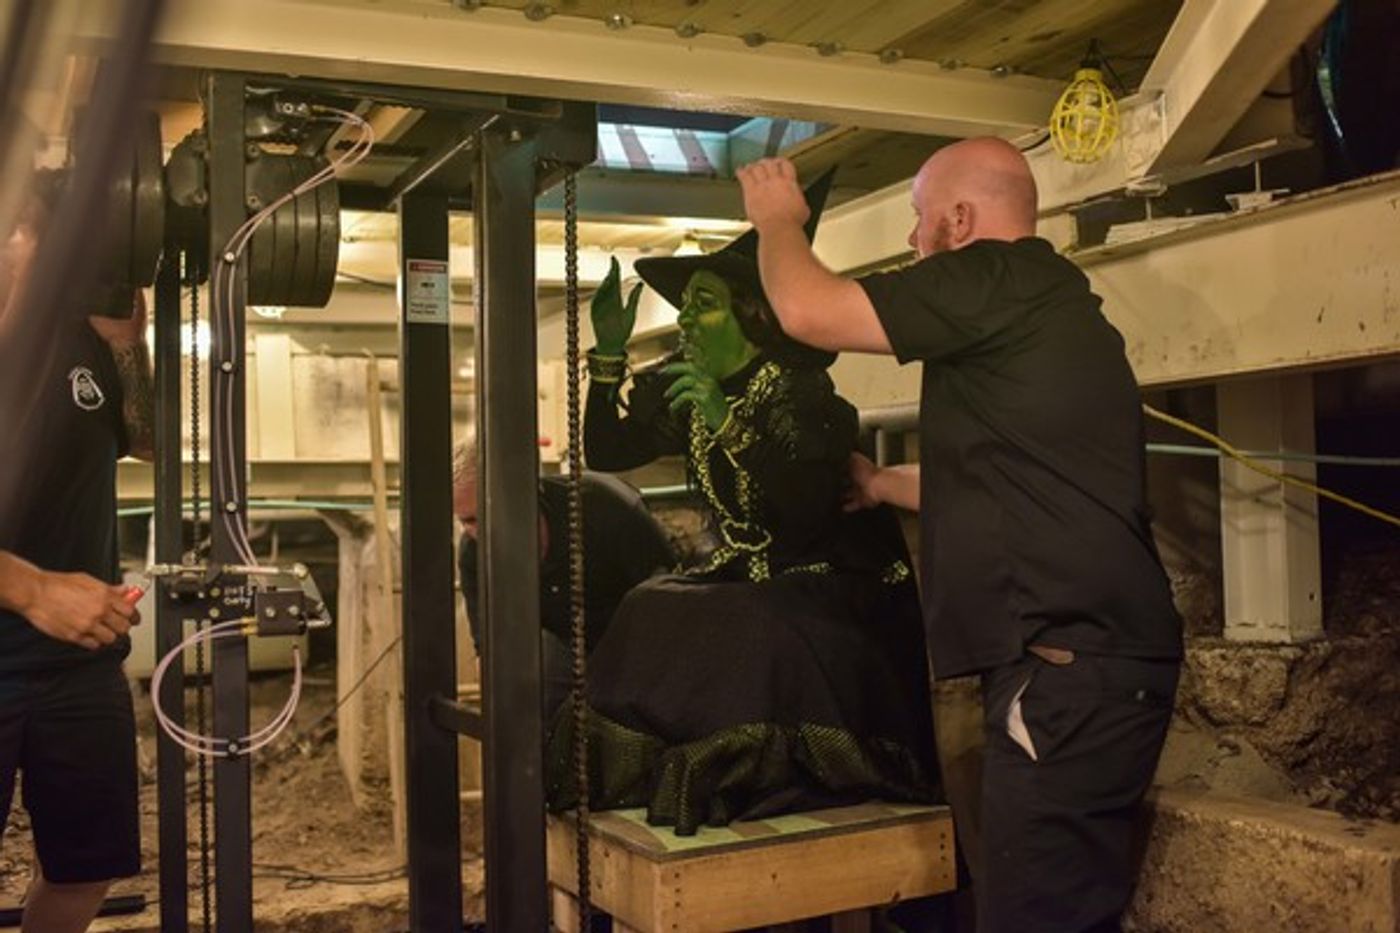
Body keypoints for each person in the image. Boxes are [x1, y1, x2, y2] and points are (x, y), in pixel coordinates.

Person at [735, 140, 1184, 932]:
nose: (914, 241)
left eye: (918, 221)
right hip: (1091, 668)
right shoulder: (1047, 305)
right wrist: (878, 484)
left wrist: (778, 223)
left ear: (960, 220)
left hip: (1063, 671)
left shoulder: (991, 276)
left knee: (1035, 917)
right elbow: (1012, 481)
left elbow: (808, 309)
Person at [551, 173, 941, 836]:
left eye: (702, 304)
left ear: (753, 315)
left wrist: (724, 417)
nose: (684, 322)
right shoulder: (696, 387)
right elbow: (610, 448)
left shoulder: (803, 395)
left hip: (828, 583)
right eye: (684, 307)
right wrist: (610, 357)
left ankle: (751, 773)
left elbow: (803, 511)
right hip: (751, 575)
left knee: (752, 624)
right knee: (652, 603)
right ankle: (645, 771)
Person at [0, 181, 154, 933]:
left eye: (21, 232)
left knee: (87, 870)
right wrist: (29, 587)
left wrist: (128, 344)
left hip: (79, 667)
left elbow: (151, 440)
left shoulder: (80, 337)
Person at [453, 444, 677, 715]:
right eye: (468, 521)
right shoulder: (474, 555)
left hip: (643, 637)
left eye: (487, 515)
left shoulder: (606, 508)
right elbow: (489, 654)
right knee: (545, 715)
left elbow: (670, 596)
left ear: (523, 491)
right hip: (567, 642)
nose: (480, 532)